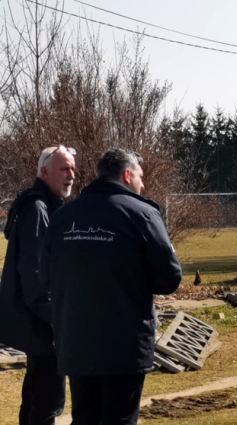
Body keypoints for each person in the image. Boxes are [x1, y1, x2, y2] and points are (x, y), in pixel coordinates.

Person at [40, 148, 182, 425]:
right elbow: (169, 279)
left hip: (76, 341)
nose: (143, 184)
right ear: (127, 175)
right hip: (124, 344)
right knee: (119, 418)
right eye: (140, 176)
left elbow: (46, 276)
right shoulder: (142, 214)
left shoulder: (63, 216)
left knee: (84, 417)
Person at [0, 146, 75, 425]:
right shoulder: (38, 208)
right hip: (42, 322)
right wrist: (55, 316)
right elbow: (33, 272)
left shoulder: (39, 204)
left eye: (73, 169)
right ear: (45, 172)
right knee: (48, 401)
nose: (72, 175)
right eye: (64, 169)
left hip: (34, 321)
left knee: (35, 394)